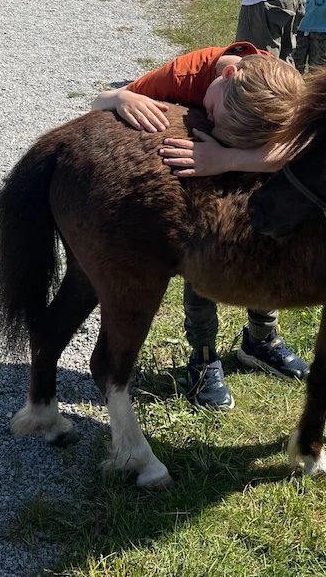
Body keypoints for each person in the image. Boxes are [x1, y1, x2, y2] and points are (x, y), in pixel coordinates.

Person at [92, 43, 309, 412]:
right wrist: (118, 96)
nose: (215, 120)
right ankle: (204, 357)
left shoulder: (283, 89)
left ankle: (261, 340)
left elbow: (305, 148)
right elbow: (101, 102)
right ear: (226, 76)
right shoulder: (183, 76)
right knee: (206, 258)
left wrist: (228, 157)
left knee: (268, 246)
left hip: (253, 173)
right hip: (203, 187)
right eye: (214, 114)